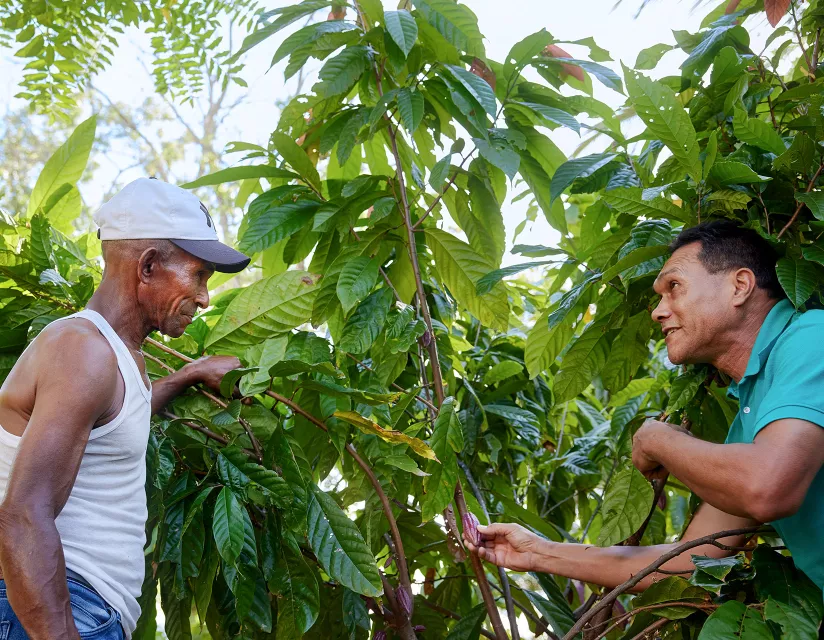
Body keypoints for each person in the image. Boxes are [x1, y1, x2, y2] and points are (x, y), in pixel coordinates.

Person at [465, 221, 824, 597]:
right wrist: (538, 552)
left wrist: (659, 439)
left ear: (740, 285)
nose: (658, 311)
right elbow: (685, 565)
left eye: (674, 288)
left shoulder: (812, 336)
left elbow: (766, 488)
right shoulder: (751, 425)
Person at [0, 178, 251, 640]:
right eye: (198, 276)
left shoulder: (110, 355)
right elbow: (23, 513)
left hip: (81, 606)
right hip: (58, 604)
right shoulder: (82, 351)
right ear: (149, 266)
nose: (204, 298)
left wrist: (188, 375)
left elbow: (115, 423)